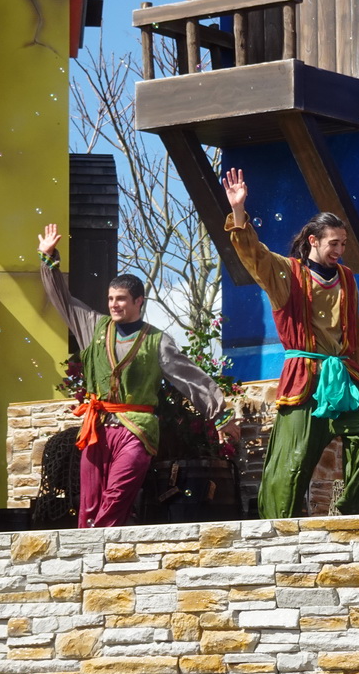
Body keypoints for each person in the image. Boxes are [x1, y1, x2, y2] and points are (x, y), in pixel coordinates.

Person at [36, 224, 238, 527]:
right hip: (97, 427)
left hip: (136, 429)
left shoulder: (158, 341)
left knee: (117, 495)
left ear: (138, 302)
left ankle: (98, 550)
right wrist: (48, 260)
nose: (113, 304)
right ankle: (92, 563)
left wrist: (220, 414)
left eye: (120, 299)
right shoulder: (93, 326)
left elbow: (189, 377)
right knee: (89, 504)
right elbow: (62, 300)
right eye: (110, 298)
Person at [221, 167, 359, 519]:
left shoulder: (346, 279)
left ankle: (349, 509)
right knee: (292, 462)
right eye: (334, 244)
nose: (340, 251)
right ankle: (276, 528)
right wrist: (238, 211)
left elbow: (354, 332)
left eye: (343, 244)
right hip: (304, 377)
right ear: (313, 241)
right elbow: (255, 256)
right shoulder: (287, 273)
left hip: (343, 379)